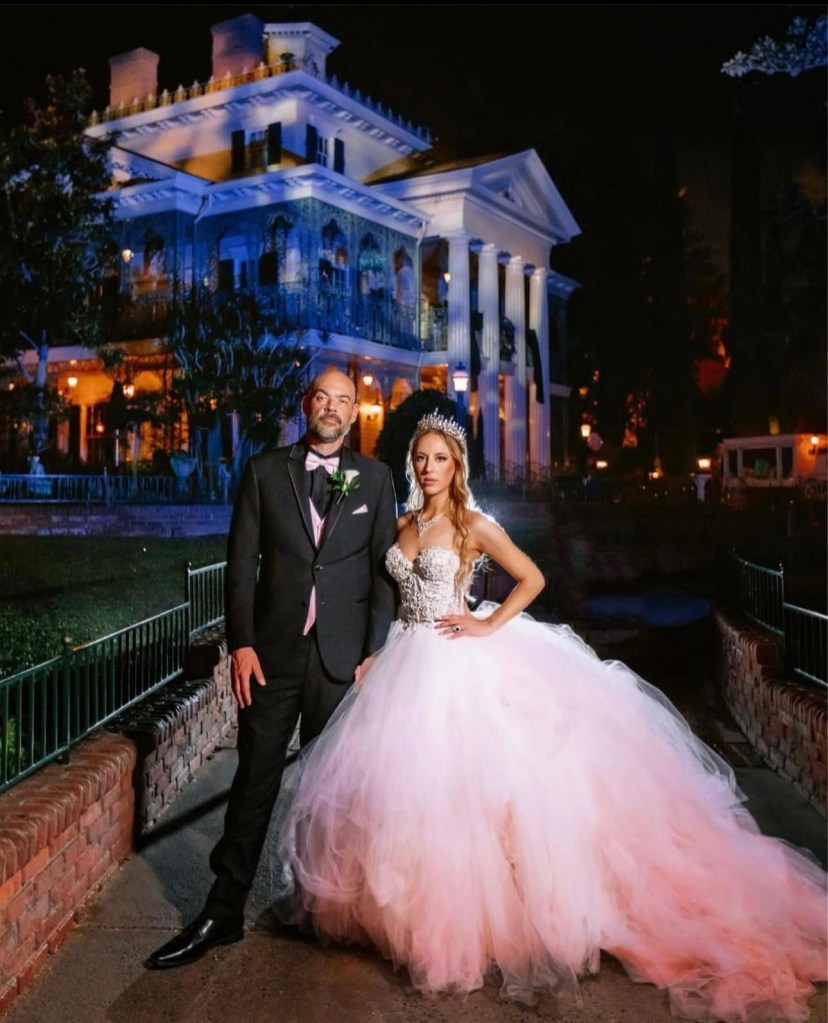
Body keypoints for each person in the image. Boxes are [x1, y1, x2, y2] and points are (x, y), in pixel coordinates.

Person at [271, 411, 827, 1022]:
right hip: (403, 659)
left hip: (454, 657)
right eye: (422, 459)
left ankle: (487, 922)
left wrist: (485, 623)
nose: (429, 469)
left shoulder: (472, 525)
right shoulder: (401, 524)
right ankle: (401, 912)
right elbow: (380, 593)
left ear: (457, 467)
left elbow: (530, 577)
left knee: (482, 798)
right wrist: (375, 651)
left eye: (441, 459)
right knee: (402, 795)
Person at [145, 366, 398, 969]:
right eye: (323, 397)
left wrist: (374, 651)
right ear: (306, 403)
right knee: (254, 782)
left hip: (342, 662)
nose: (332, 408)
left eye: (344, 400)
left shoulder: (377, 479)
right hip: (273, 657)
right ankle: (222, 912)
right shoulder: (264, 472)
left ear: (354, 410)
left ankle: (324, 907)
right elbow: (239, 566)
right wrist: (242, 644)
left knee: (331, 792)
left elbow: (386, 574)